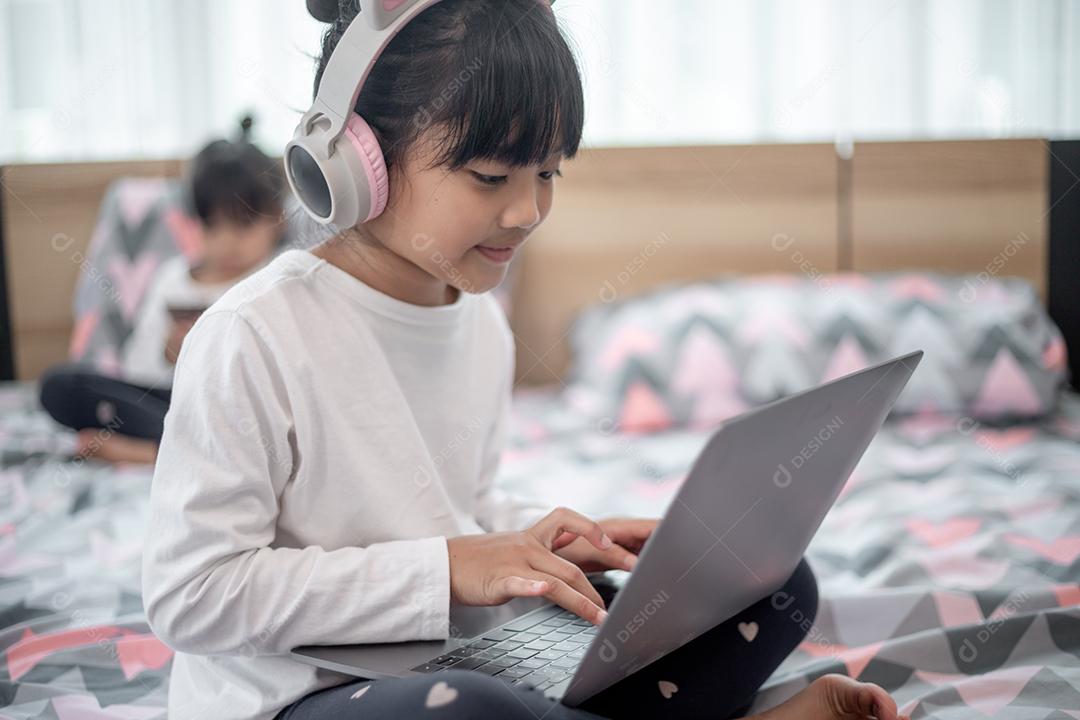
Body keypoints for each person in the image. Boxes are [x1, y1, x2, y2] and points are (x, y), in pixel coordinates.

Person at [141, 2, 909, 719]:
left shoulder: (480, 326)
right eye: (490, 177)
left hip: (459, 657)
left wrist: (542, 546)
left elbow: (457, 508)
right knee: (478, 711)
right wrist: (445, 567)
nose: (528, 211)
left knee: (769, 587)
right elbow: (191, 593)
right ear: (354, 162)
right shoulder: (253, 335)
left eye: (547, 173)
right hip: (300, 693)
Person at [38, 116, 284, 464]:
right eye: (213, 226)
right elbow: (136, 369)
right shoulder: (173, 278)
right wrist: (170, 354)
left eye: (243, 225)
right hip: (174, 405)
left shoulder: (278, 274)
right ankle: (183, 450)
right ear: (194, 223)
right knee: (61, 386)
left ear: (278, 217)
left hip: (243, 409)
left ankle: (154, 453)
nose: (227, 242)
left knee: (262, 417)